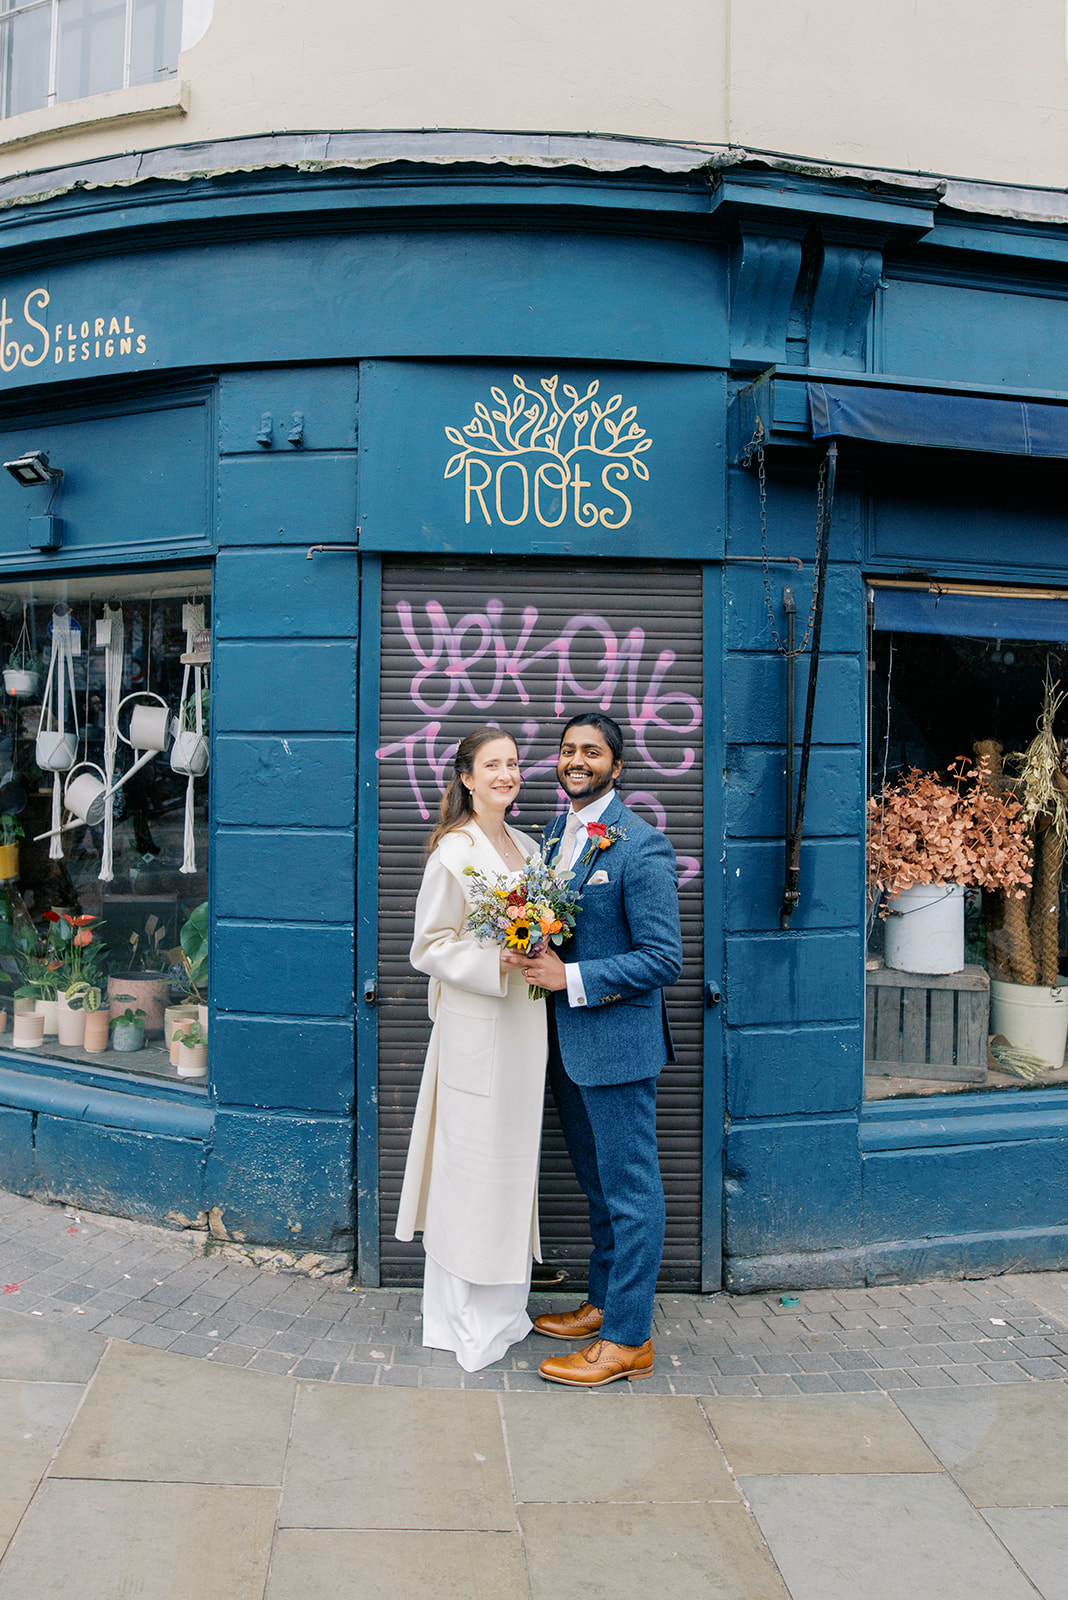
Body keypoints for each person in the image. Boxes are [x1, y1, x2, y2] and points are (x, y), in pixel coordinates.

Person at [504, 713, 683, 1386]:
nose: (576, 760)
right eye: (567, 750)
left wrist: (570, 977)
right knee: (598, 1186)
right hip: (566, 1045)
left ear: (617, 765)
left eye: (592, 751)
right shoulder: (556, 835)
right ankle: (604, 1302)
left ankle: (628, 1340)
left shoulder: (642, 845)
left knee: (631, 1191)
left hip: (617, 1046)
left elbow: (664, 958)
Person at [395, 725, 548, 1372]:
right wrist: (496, 960)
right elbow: (428, 946)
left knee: (511, 1168)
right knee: (469, 1174)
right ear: (466, 777)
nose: (507, 774)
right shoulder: (453, 853)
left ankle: (505, 1312)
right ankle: (462, 1321)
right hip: (475, 1029)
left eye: (513, 763)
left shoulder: (529, 847)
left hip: (526, 1027)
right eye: (493, 765)